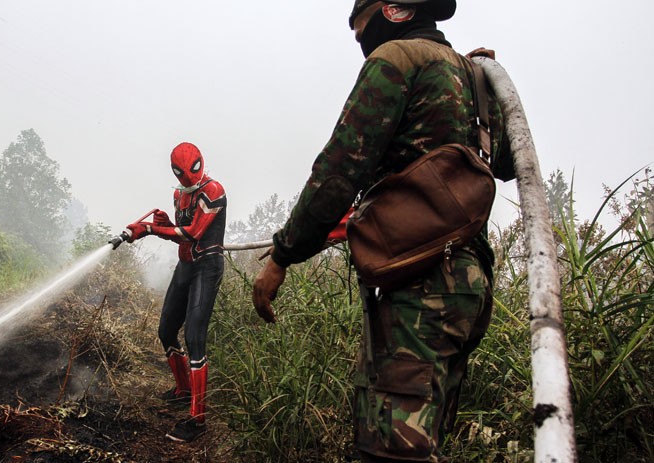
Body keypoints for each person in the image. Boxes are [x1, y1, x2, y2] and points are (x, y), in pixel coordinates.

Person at [251, 1, 515, 462]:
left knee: (392, 451)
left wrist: (282, 256)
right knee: (419, 441)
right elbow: (508, 163)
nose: (358, 39)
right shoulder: (470, 75)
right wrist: (483, 90)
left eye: (360, 27)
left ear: (393, 10)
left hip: (421, 285)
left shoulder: (397, 58)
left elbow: (338, 171)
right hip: (469, 287)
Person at [124, 141, 226, 443]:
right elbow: (181, 238)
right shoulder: (178, 195)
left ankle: (197, 420)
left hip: (207, 268)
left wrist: (151, 230)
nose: (188, 178)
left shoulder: (213, 190)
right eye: (182, 173)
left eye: (191, 171)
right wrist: (166, 225)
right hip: (186, 267)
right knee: (166, 330)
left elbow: (194, 233)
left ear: (200, 164)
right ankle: (183, 391)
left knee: (195, 338)